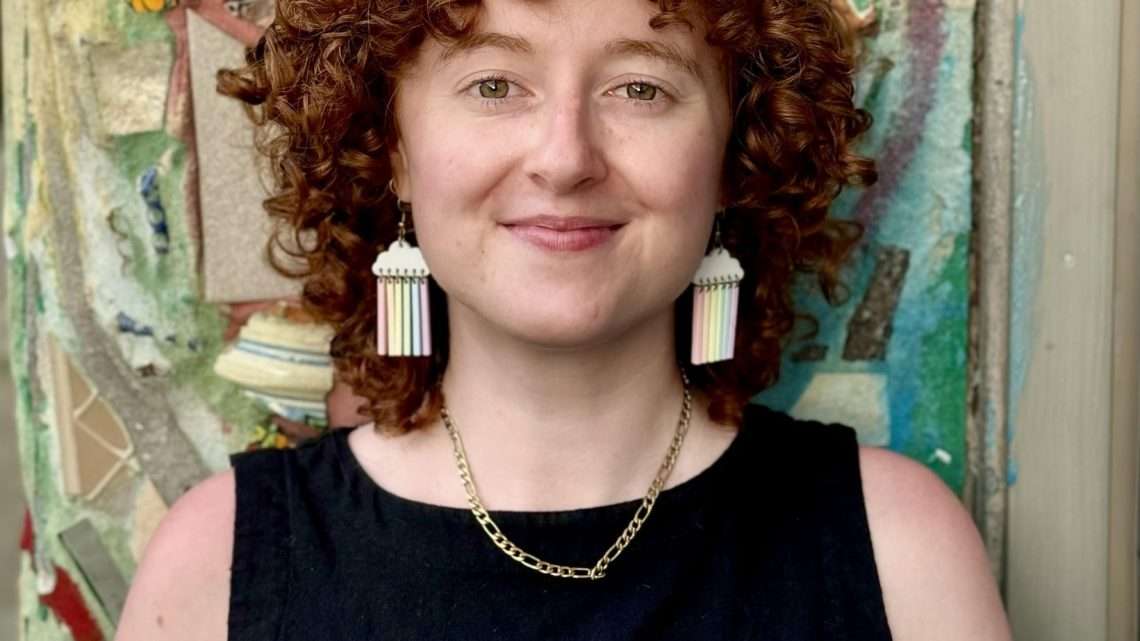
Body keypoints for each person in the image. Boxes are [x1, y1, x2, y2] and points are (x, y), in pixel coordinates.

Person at [116, 0, 1014, 639]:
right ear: (389, 143)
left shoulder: (901, 550)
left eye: (641, 88)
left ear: (733, 154)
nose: (566, 157)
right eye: (496, 83)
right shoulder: (216, 565)